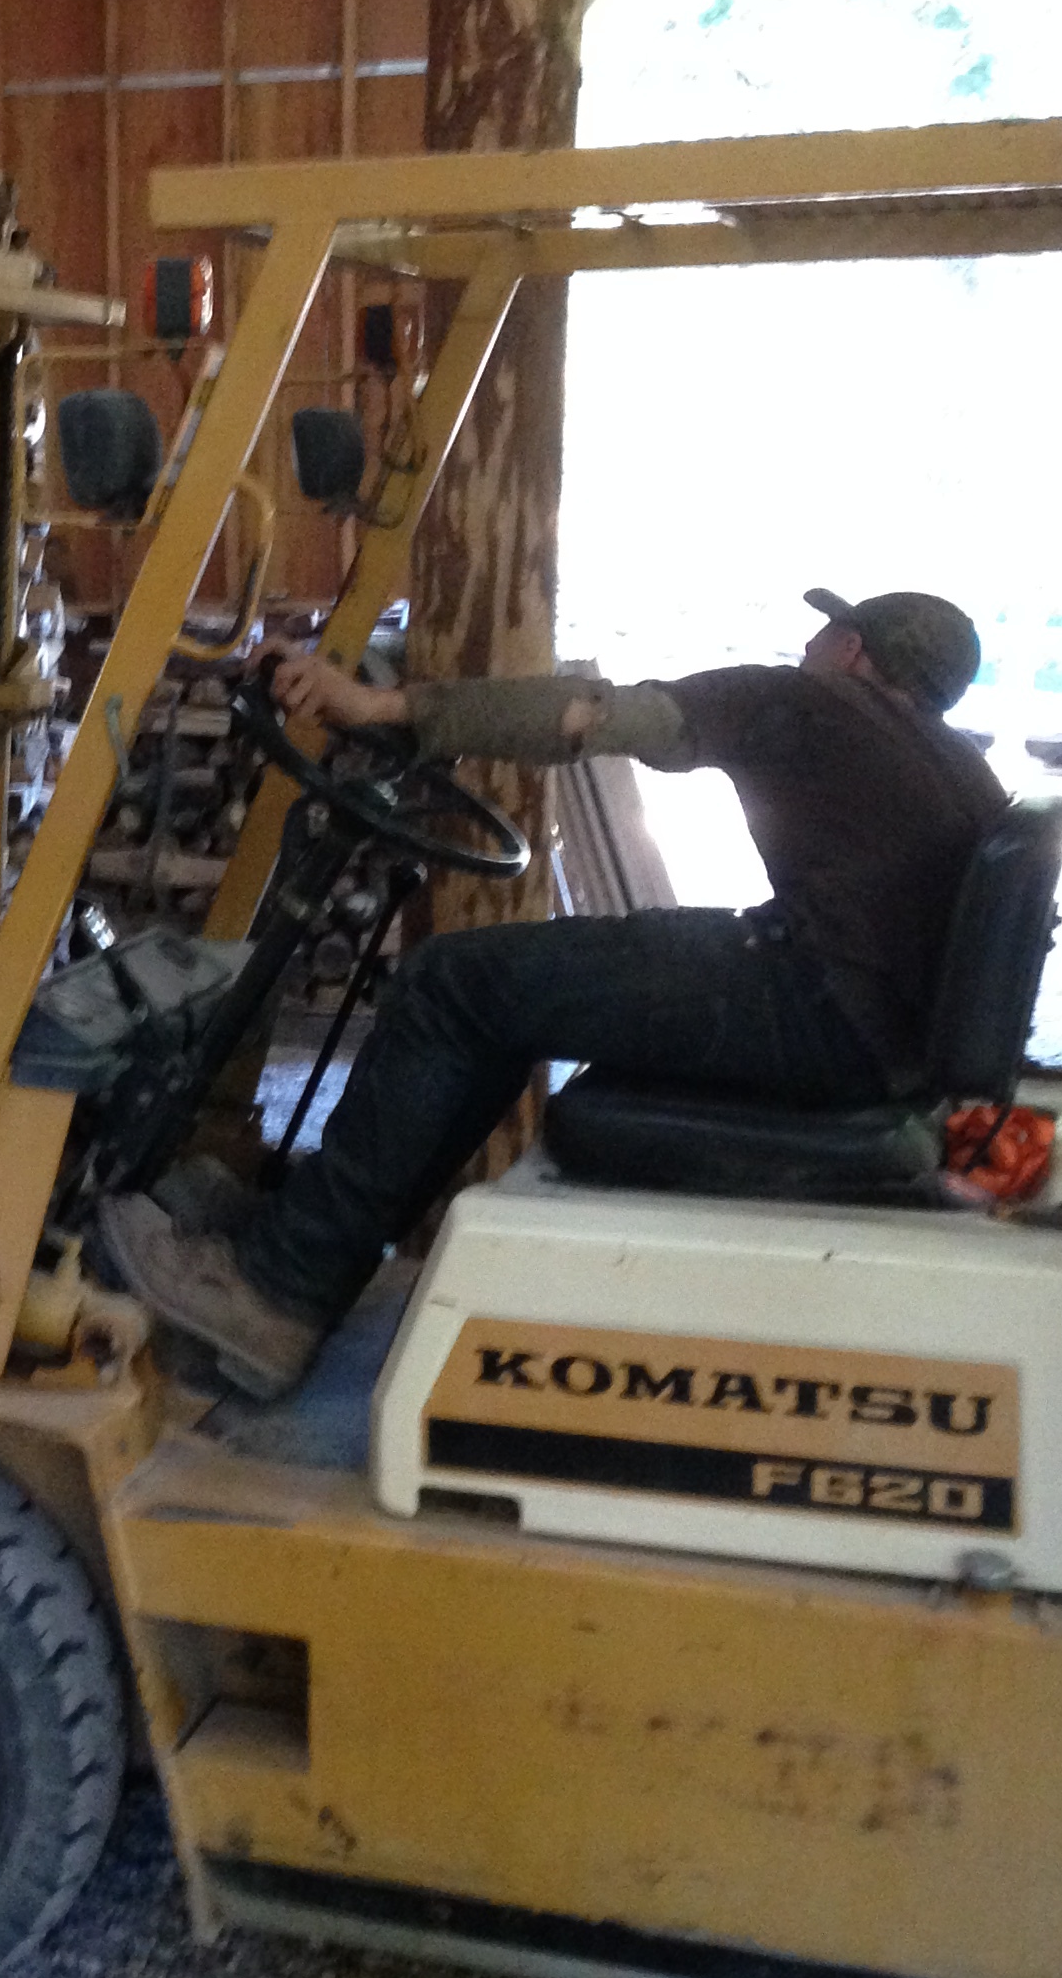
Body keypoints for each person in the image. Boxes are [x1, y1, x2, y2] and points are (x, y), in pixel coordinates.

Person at [94, 587, 1008, 1398]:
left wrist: (375, 703)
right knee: (503, 991)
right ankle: (309, 1238)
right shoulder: (960, 764)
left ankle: (278, 1289)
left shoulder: (811, 699)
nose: (811, 648)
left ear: (851, 650)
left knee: (452, 982)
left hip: (812, 1003)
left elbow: (591, 717)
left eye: (827, 635)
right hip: (866, 1030)